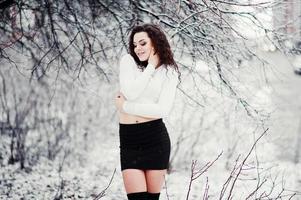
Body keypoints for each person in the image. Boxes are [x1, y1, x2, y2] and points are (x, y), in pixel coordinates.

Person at [115, 23, 180, 200]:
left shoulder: (169, 71)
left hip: (155, 139)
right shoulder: (128, 62)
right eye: (135, 45)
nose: (138, 48)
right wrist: (150, 67)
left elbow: (162, 110)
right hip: (130, 140)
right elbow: (130, 92)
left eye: (143, 43)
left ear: (155, 42)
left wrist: (126, 107)